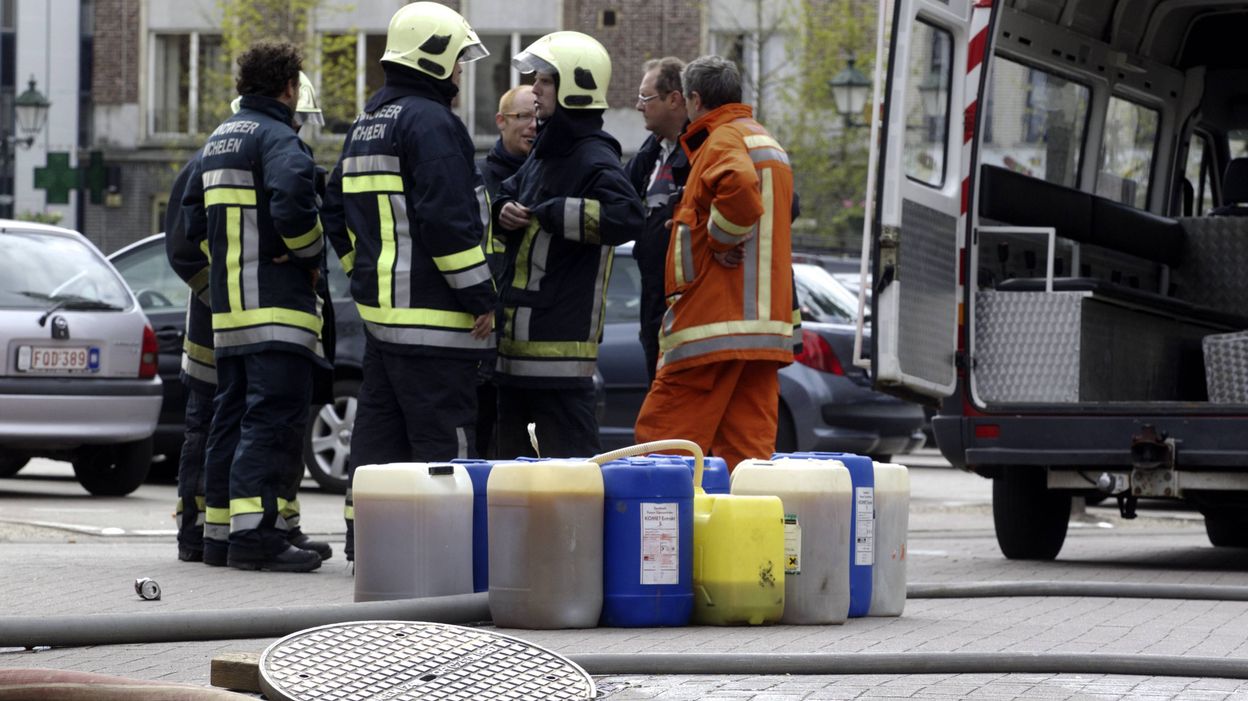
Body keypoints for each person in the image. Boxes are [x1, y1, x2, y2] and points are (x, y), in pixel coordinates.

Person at [322, 2, 497, 561]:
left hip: (382, 323)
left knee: (377, 446)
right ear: (435, 56)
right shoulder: (432, 124)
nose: (461, 72)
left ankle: (370, 548)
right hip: (436, 322)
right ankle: (453, 557)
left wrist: (361, 276)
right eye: (458, 60)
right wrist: (481, 297)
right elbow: (448, 221)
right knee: (444, 446)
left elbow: (331, 207)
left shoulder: (366, 124)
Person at [182, 41, 328, 573]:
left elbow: (189, 223)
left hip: (229, 314)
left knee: (232, 417)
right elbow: (294, 196)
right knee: (271, 420)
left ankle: (220, 535)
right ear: (289, 87)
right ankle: (257, 538)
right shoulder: (279, 138)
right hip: (277, 309)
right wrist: (307, 251)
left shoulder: (219, 139)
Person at [633, 55, 796, 471]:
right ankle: (738, 536)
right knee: (745, 460)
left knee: (661, 451)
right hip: (762, 330)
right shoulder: (767, 142)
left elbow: (739, 190)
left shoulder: (722, 138)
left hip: (711, 324)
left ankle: (659, 537)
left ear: (694, 98)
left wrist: (719, 238)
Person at [492, 31, 645, 459]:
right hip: (515, 355)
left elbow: (627, 216)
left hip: (560, 359)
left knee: (571, 479)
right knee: (514, 481)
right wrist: (502, 208)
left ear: (576, 86)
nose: (535, 90)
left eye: (544, 81)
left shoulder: (593, 157)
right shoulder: (546, 150)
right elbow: (507, 190)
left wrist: (557, 212)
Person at [471, 84, 535, 458]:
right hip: (484, 333)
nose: (532, 126)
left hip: (531, 335)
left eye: (537, 117)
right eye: (522, 117)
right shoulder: (478, 178)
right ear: (500, 122)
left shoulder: (548, 173)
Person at [625, 57, 689, 385]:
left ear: (674, 99)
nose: (638, 106)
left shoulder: (703, 151)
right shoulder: (652, 153)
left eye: (646, 98)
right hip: (653, 299)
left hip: (686, 304)